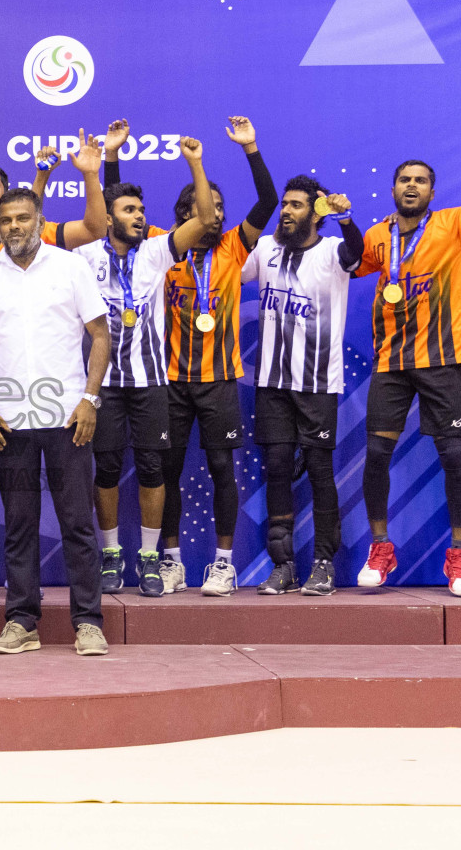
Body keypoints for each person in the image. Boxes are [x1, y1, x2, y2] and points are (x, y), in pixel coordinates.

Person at [353, 104, 461, 595]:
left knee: (454, 457)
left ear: (432, 190)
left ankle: (459, 554)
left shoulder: (453, 223)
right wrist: (342, 223)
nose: (412, 186)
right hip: (391, 365)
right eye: (404, 179)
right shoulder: (378, 234)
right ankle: (380, 548)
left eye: (421, 181)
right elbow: (351, 263)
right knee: (376, 456)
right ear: (393, 189)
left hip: (444, 362)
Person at [0, 132, 106, 601]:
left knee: (71, 516)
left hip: (54, 397)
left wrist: (79, 173)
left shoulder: (56, 254)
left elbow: (88, 226)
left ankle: (84, 616)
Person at [0, 187, 112, 655]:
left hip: (68, 416)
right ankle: (22, 622)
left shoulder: (70, 267)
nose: (14, 227)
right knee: (19, 525)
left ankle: (88, 623)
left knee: (77, 524)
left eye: (22, 218)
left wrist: (90, 399)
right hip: (8, 420)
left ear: (39, 219)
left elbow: (101, 336)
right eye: (6, 220)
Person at [73, 133, 212, 598]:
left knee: (153, 469)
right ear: (109, 217)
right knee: (107, 469)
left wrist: (196, 164)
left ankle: (149, 558)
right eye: (130, 211)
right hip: (102, 383)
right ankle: (111, 553)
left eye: (142, 211)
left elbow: (206, 218)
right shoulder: (82, 256)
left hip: (151, 381)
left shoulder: (156, 250)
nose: (140, 217)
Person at [156, 119, 277, 595]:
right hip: (169, 379)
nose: (214, 215)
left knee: (222, 468)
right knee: (165, 471)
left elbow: (266, 201)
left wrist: (250, 147)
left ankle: (223, 564)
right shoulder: (162, 249)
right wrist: (109, 161)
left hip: (220, 380)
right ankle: (170, 562)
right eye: (202, 208)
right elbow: (111, 216)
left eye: (219, 208)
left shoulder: (233, 246)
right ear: (183, 214)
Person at [242, 178, 363, 595]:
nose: (286, 211)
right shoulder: (265, 250)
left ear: (316, 214)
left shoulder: (331, 251)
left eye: (296, 206)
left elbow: (356, 254)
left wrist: (346, 218)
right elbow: (229, 272)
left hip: (317, 383)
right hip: (271, 382)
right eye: (285, 204)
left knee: (318, 470)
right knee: (276, 468)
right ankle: (283, 566)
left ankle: (325, 564)